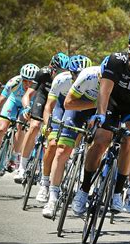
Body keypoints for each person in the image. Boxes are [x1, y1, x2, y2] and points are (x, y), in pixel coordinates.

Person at [71, 27, 130, 215]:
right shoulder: (116, 61)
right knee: (101, 139)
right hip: (112, 104)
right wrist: (101, 114)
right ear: (129, 49)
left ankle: (118, 193)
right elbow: (104, 92)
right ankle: (84, 189)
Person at [42, 62, 100, 218]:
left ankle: (92, 189)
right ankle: (52, 198)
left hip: (99, 112)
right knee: (61, 149)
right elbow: (67, 104)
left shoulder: (114, 82)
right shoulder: (84, 77)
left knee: (101, 146)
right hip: (76, 109)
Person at [35, 55, 91, 205]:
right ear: (70, 72)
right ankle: (45, 183)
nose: (79, 77)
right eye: (75, 74)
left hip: (84, 108)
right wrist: (47, 125)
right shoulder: (61, 79)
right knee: (53, 144)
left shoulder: (93, 81)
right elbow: (49, 106)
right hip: (62, 106)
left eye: (82, 74)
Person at [14, 52, 70, 183]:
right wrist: (27, 108)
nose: (61, 74)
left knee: (55, 137)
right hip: (42, 97)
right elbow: (27, 95)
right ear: (52, 67)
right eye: (58, 71)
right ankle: (22, 167)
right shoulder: (43, 73)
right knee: (34, 126)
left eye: (64, 71)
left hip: (56, 103)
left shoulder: (67, 78)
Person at [0, 64, 39, 177]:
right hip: (12, 102)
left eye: (30, 82)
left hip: (27, 106)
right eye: (25, 81)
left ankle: (13, 158)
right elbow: (0, 101)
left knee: (20, 127)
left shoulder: (38, 87)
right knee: (1, 129)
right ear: (21, 78)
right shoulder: (14, 82)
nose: (28, 84)